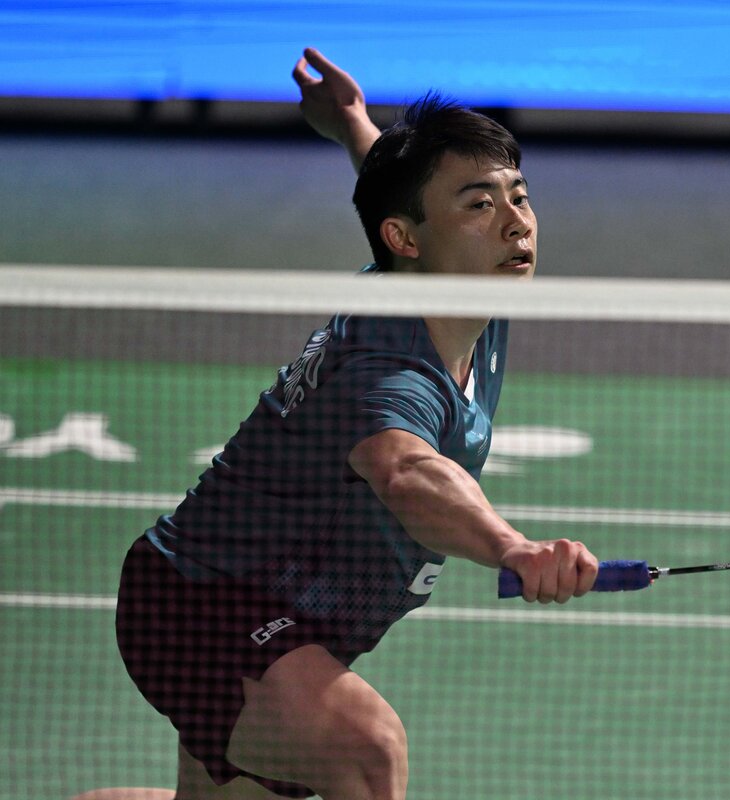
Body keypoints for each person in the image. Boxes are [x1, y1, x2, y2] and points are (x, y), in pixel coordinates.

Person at [72, 48, 599, 800]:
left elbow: (402, 199)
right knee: (368, 751)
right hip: (203, 605)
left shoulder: (450, 281)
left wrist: (354, 125)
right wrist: (512, 548)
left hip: (288, 614)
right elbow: (405, 470)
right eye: (481, 205)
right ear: (406, 240)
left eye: (519, 196)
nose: (516, 223)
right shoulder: (391, 370)